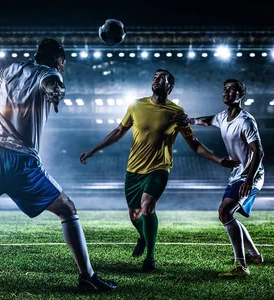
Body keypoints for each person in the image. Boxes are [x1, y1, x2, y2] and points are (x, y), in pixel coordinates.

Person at [0, 38, 116, 292]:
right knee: (67, 209)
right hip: (21, 161)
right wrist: (57, 91)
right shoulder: (49, 73)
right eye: (63, 62)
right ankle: (87, 276)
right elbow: (51, 84)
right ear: (58, 60)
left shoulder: (12, 69)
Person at [80, 69, 238, 272]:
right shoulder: (136, 105)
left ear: (169, 87)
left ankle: (150, 258)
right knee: (135, 214)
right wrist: (94, 150)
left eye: (161, 77)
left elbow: (195, 144)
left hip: (159, 168)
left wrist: (218, 160)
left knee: (147, 207)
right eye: (154, 76)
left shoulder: (177, 112)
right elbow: (119, 131)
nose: (156, 79)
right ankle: (144, 238)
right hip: (134, 169)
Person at [174, 79, 265, 278]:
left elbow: (258, 153)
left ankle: (241, 266)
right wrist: (192, 121)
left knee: (224, 212)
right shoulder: (223, 116)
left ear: (241, 95)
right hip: (236, 174)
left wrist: (249, 181)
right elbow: (209, 120)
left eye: (232, 90)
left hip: (250, 174)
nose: (226, 92)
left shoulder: (246, 121)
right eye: (225, 89)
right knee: (227, 214)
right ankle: (255, 255)